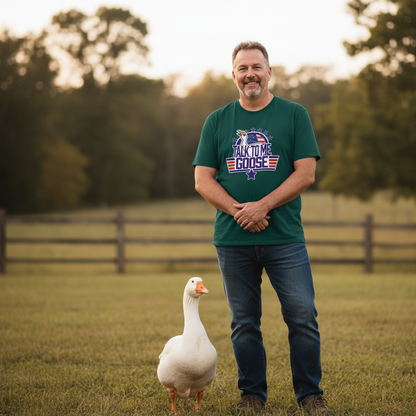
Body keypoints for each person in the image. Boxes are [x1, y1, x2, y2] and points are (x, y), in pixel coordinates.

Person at [193, 41, 332, 414]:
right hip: (233, 240)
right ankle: (252, 395)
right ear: (234, 75)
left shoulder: (293, 115)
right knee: (243, 324)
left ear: (269, 72)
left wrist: (263, 206)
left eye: (257, 66)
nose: (250, 74)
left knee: (302, 317)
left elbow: (306, 173)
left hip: (284, 237)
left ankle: (310, 395)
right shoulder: (218, 121)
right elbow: (203, 180)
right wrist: (241, 211)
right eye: (243, 68)